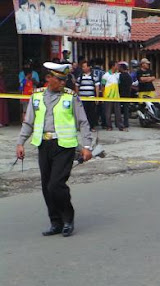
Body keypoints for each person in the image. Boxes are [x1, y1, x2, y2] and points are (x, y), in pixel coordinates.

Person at [16, 62, 93, 237]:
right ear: (48, 79)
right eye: (59, 79)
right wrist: (20, 143)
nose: (63, 82)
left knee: (56, 184)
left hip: (64, 145)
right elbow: (28, 122)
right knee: (46, 186)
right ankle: (55, 222)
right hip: (44, 145)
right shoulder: (36, 96)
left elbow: (83, 122)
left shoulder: (71, 97)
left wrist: (87, 146)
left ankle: (68, 219)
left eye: (64, 79)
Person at [76, 61, 100, 131]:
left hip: (91, 98)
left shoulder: (94, 76)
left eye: (84, 66)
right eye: (82, 67)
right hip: (82, 99)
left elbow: (97, 87)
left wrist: (97, 98)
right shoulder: (80, 76)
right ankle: (83, 127)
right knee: (83, 114)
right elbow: (77, 86)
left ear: (89, 67)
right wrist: (77, 96)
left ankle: (91, 127)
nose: (83, 68)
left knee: (91, 113)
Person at [102, 61, 123, 131]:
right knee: (108, 113)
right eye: (116, 65)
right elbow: (103, 86)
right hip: (108, 97)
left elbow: (119, 85)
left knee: (118, 112)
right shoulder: (106, 75)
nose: (118, 67)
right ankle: (109, 126)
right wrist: (103, 96)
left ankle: (120, 126)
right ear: (113, 66)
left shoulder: (118, 75)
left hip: (116, 97)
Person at [118, 62, 132, 130]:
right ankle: (126, 123)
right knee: (126, 110)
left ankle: (119, 123)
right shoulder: (129, 76)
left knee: (119, 110)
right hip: (127, 95)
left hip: (120, 95)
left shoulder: (120, 76)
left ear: (122, 68)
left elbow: (118, 85)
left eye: (119, 67)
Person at [0, 63, 8, 127]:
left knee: (3, 108)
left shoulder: (2, 76)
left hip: (3, 95)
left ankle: (3, 121)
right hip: (1, 94)